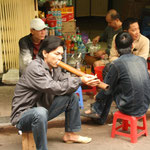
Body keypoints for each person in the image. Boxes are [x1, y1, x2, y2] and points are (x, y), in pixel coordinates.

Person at [10, 36, 100, 150]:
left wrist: (85, 79)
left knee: (71, 97)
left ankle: (70, 134)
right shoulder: (35, 68)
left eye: (61, 55)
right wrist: (79, 80)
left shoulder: (55, 67)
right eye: (56, 54)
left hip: (42, 109)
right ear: (45, 53)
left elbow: (66, 79)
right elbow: (53, 87)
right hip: (23, 116)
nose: (60, 58)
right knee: (40, 113)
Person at [82, 31, 150, 125]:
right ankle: (97, 110)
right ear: (132, 46)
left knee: (110, 86)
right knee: (113, 82)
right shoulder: (142, 60)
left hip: (129, 107)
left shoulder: (117, 64)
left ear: (115, 47)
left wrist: (98, 96)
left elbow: (107, 88)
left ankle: (98, 111)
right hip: (145, 106)